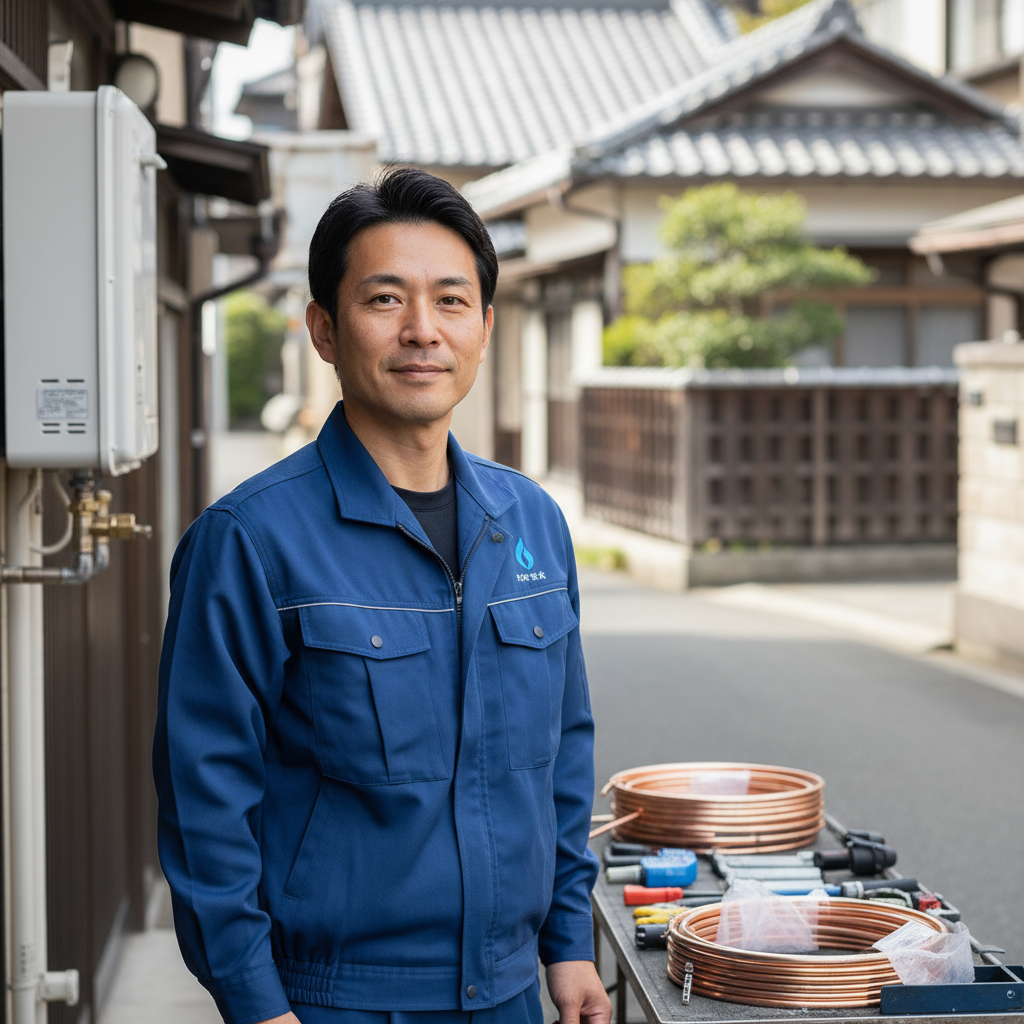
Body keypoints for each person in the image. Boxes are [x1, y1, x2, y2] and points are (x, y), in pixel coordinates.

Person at [153, 167, 611, 1024]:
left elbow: (562, 754)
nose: (420, 332)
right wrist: (256, 1003)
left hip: (510, 992)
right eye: (384, 300)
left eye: (450, 301)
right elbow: (204, 797)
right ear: (324, 330)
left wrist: (567, 940)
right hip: (335, 1002)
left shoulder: (533, 523)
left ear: (482, 326)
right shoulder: (249, 540)